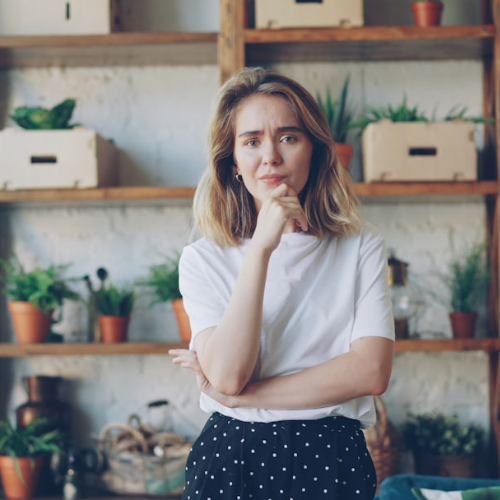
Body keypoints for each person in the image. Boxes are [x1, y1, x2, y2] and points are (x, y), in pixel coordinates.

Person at [169, 67, 395, 500]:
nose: (270, 156)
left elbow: (371, 371)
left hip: (333, 455)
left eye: (288, 137)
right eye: (251, 141)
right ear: (233, 161)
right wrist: (260, 251)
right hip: (231, 458)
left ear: (315, 150)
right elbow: (230, 375)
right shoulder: (202, 259)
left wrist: (248, 399)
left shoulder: (360, 247)